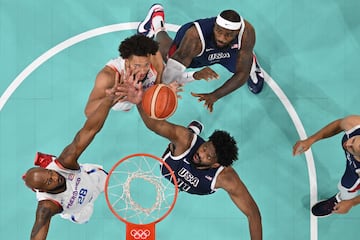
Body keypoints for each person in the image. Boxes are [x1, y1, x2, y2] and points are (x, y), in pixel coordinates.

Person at [118, 79, 262, 239]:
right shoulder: (185, 141)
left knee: (189, 137)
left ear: (215, 164)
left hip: (191, 173)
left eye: (208, 156)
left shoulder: (225, 178)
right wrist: (139, 101)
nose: (201, 153)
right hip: (175, 157)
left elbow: (253, 214)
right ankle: (194, 130)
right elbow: (155, 126)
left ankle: (195, 128)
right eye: (205, 147)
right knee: (184, 136)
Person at [23, 72, 129, 240]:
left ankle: (45, 161)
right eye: (49, 181)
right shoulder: (47, 205)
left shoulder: (63, 164)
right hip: (77, 210)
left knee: (113, 182)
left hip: (92, 178)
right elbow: (37, 234)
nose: (55, 177)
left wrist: (108, 101)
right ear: (43, 190)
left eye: (51, 173)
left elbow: (89, 130)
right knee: (83, 217)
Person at [137, 4, 265, 112]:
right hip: (197, 50)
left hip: (228, 52)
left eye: (228, 35)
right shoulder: (194, 38)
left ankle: (250, 61)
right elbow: (170, 77)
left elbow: (242, 73)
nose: (222, 38)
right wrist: (163, 91)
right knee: (167, 56)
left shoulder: (247, 32)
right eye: (219, 31)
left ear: (236, 33)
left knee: (242, 66)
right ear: (214, 25)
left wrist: (215, 95)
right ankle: (157, 23)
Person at [85, 34, 214, 117]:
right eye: (136, 66)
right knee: (124, 107)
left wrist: (193, 76)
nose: (142, 71)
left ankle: (155, 27)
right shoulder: (109, 76)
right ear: (126, 60)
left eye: (145, 65)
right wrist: (115, 97)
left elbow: (166, 80)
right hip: (119, 101)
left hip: (143, 94)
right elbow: (89, 111)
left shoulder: (154, 59)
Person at [293, 115, 360, 217]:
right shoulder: (355, 124)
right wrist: (311, 140)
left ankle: (340, 199)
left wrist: (351, 203)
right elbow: (338, 125)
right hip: (354, 163)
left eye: (352, 149)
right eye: (353, 140)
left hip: (355, 171)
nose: (347, 144)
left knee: (347, 187)